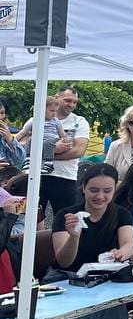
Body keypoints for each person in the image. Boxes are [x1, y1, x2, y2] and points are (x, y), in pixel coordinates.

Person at [51, 163, 133, 319]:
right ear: (83, 188)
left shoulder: (121, 213)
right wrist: (74, 236)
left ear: (115, 189)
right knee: (115, 309)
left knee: (114, 303)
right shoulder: (67, 215)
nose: (100, 196)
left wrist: (121, 253)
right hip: (65, 280)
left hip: (100, 280)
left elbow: (129, 243)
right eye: (94, 190)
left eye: (107, 191)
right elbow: (64, 261)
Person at [40, 86, 88, 225]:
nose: (71, 105)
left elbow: (79, 151)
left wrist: (46, 154)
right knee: (34, 219)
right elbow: (25, 145)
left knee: (64, 222)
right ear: (56, 98)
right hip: (38, 176)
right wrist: (54, 149)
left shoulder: (79, 121)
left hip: (65, 177)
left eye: (75, 102)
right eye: (67, 100)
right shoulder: (39, 117)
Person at [0, 96, 28, 170]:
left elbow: (20, 161)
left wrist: (10, 140)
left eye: (2, 113)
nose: (1, 117)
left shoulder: (4, 139)